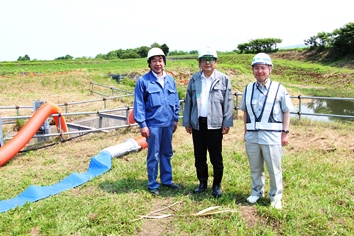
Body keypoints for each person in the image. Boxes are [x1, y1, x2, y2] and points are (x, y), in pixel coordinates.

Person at [240, 52, 293, 209]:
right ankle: (256, 192)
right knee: (255, 167)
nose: (259, 71)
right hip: (252, 135)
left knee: (274, 168)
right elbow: (245, 112)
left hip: (272, 136)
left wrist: (285, 133)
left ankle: (276, 197)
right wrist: (245, 131)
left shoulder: (279, 88)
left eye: (263, 68)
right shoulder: (248, 88)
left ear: (270, 69)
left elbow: (286, 111)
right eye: (256, 68)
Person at [182, 46, 234, 198]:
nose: (207, 63)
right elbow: (189, 101)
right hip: (198, 123)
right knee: (199, 156)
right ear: (199, 63)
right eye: (204, 60)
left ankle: (216, 185)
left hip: (215, 124)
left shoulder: (223, 79)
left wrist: (227, 122)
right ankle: (202, 182)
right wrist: (187, 122)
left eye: (210, 60)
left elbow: (228, 102)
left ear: (216, 62)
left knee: (216, 156)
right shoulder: (194, 79)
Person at [133, 47, 180, 196]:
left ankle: (167, 180)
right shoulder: (143, 81)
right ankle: (153, 184)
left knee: (167, 152)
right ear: (149, 63)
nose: (157, 63)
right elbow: (139, 104)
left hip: (168, 123)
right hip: (152, 125)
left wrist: (175, 119)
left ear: (164, 62)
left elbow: (176, 100)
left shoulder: (170, 80)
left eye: (160, 60)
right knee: (153, 154)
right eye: (154, 61)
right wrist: (143, 125)